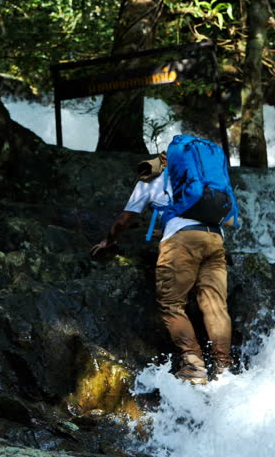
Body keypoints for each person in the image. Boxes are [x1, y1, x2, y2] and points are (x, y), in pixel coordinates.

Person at [91, 150, 233, 384]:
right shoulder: (202, 175)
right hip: (215, 238)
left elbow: (125, 219)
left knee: (171, 304)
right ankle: (223, 365)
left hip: (180, 241)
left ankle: (194, 363)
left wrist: (109, 240)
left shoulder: (152, 177)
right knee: (215, 305)